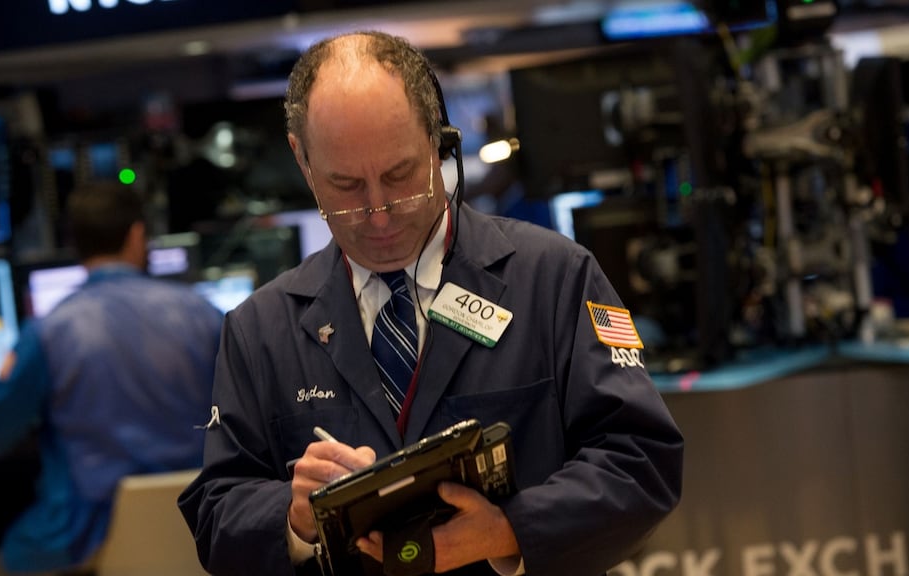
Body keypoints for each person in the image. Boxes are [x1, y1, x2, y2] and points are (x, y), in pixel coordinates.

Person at [178, 30, 684, 576]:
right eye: (345, 185)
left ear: (439, 142)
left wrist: (511, 528)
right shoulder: (260, 331)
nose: (377, 213)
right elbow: (216, 513)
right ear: (303, 160)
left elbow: (642, 461)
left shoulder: (554, 277)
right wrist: (294, 517)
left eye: (399, 176)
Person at [0, 181, 224, 575]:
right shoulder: (206, 316)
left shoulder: (48, 333)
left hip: (85, 536)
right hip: (201, 525)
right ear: (137, 234)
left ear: (76, 244)